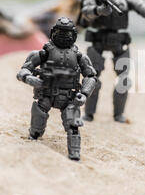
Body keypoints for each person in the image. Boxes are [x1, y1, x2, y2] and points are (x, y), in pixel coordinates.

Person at [16, 17, 97, 161]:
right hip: (46, 94)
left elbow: (91, 76)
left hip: (68, 97)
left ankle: (74, 153)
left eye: (67, 33)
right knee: (38, 116)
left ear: (74, 35)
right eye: (60, 32)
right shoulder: (43, 53)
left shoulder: (79, 57)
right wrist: (29, 78)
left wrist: (84, 94)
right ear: (53, 32)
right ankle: (34, 135)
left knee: (72, 125)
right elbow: (23, 70)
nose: (64, 36)